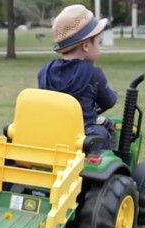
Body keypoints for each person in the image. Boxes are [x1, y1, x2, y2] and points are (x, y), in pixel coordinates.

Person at [37, 4, 117, 149]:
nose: (100, 47)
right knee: (104, 132)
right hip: (81, 138)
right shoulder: (94, 74)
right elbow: (108, 101)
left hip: (52, 134)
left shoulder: (44, 72)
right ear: (86, 45)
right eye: (98, 42)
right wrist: (113, 95)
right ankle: (116, 165)